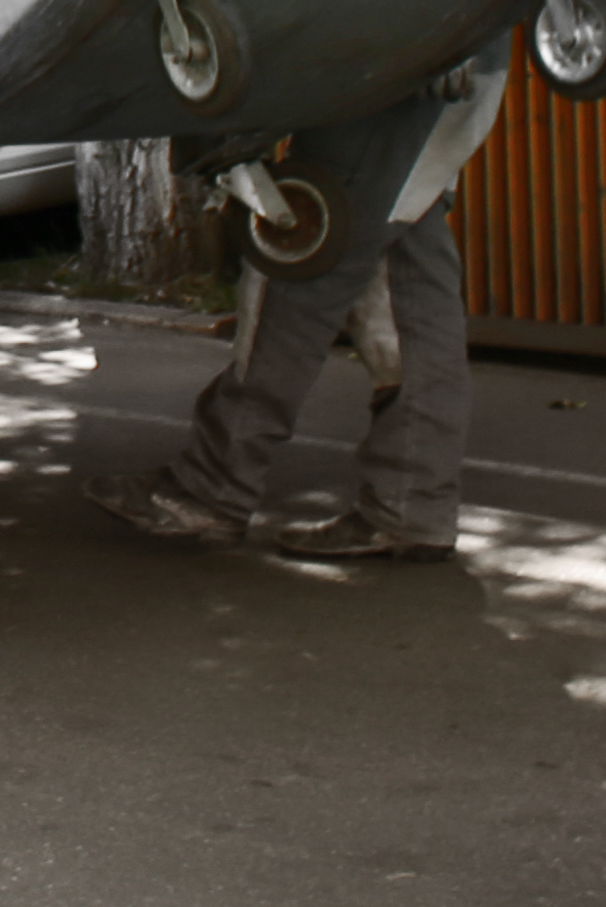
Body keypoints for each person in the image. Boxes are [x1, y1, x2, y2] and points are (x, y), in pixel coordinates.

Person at [88, 47, 500, 563]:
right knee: (407, 271)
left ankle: (211, 487)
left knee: (297, 271)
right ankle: (412, 503)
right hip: (455, 65)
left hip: (396, 69)